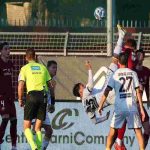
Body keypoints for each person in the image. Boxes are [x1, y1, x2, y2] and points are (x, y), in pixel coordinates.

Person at [99, 52, 145, 150]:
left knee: (112, 132)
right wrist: (141, 108)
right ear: (127, 62)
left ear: (119, 62)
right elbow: (138, 92)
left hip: (119, 108)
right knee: (138, 132)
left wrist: (100, 105)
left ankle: (107, 148)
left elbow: (107, 91)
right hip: (131, 107)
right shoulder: (133, 73)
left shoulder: (115, 74)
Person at [18, 48, 55, 150]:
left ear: (26, 58)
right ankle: (39, 147)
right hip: (43, 97)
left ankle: (33, 146)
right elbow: (51, 87)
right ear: (35, 56)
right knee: (38, 128)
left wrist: (20, 99)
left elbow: (21, 86)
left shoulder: (24, 68)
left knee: (26, 127)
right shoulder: (43, 68)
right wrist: (52, 102)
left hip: (32, 96)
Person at [33, 60, 57, 150]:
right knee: (36, 128)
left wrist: (51, 104)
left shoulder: (53, 82)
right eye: (53, 67)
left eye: (56, 68)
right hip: (37, 107)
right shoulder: (42, 78)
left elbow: (51, 95)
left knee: (49, 131)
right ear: (47, 68)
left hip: (44, 109)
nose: (55, 70)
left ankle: (41, 148)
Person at [0, 42, 17, 150]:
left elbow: (15, 77)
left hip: (10, 97)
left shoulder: (11, 64)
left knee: (14, 120)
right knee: (5, 118)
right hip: (1, 96)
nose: (8, 51)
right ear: (1, 51)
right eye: (6, 49)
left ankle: (14, 146)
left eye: (9, 49)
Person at [134, 49, 150, 148]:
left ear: (143, 57)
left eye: (141, 55)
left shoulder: (146, 71)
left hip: (140, 105)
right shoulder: (132, 71)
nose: (139, 57)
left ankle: (142, 147)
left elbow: (147, 85)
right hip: (132, 104)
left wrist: (148, 98)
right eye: (137, 55)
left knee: (147, 129)